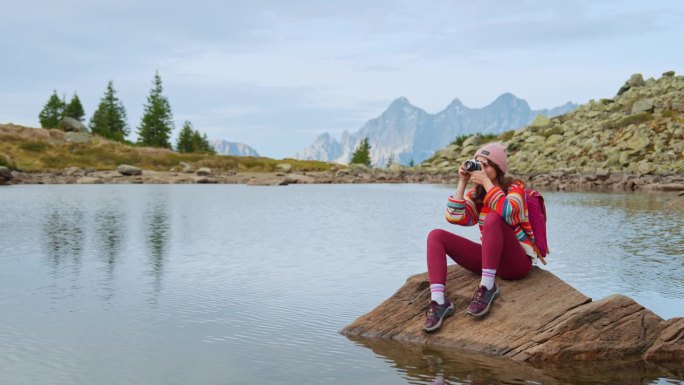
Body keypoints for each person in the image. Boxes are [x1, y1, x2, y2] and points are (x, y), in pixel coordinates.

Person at [423, 142, 540, 332]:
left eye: (485, 165)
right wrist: (462, 181)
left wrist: (486, 182)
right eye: (477, 163)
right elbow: (454, 217)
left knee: (494, 217)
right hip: (490, 259)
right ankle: (438, 302)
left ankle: (487, 287)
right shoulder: (478, 193)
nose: (480, 168)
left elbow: (509, 213)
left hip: (516, 263)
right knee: (436, 236)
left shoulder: (514, 188)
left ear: (498, 168)